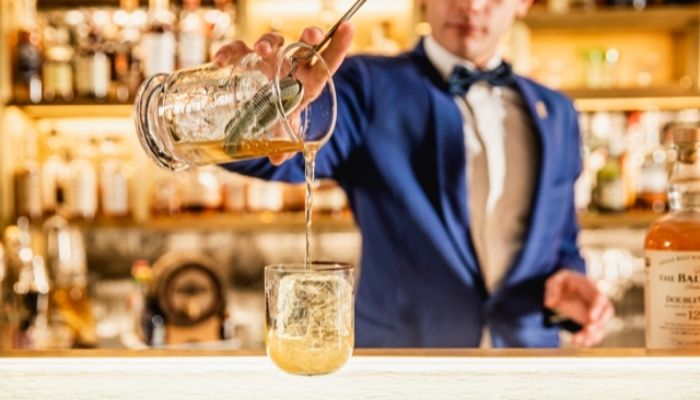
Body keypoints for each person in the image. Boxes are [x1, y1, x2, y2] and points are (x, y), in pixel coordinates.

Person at [214, 0, 614, 348]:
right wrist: (258, 107)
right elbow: (282, 145)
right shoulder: (368, 85)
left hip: (527, 366)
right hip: (404, 364)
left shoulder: (558, 113)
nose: (472, 4)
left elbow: (560, 240)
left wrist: (569, 280)